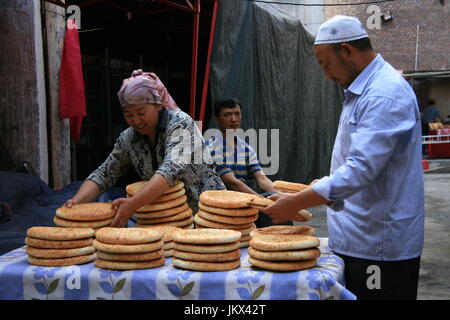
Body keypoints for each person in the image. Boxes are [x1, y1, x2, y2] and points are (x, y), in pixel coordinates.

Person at [262, 15, 424, 300]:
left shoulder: (384, 93)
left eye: (326, 65)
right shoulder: (361, 91)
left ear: (347, 51)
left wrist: (298, 201)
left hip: (378, 248)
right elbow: (356, 160)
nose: (326, 75)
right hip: (358, 240)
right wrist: (317, 187)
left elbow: (361, 169)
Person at [65, 70, 226, 227]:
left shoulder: (181, 124)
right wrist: (76, 201)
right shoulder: (128, 138)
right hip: (167, 222)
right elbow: (105, 174)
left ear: (158, 105)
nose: (135, 120)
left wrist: (132, 204)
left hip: (210, 215)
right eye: (129, 114)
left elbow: (169, 171)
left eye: (141, 112)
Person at [206, 97, 291, 227]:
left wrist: (283, 197)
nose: (233, 119)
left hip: (246, 198)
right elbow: (233, 183)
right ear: (217, 119)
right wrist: (261, 201)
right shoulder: (211, 147)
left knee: (276, 198)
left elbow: (262, 179)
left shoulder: (246, 148)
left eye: (237, 114)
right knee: (267, 208)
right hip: (223, 202)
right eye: (227, 115)